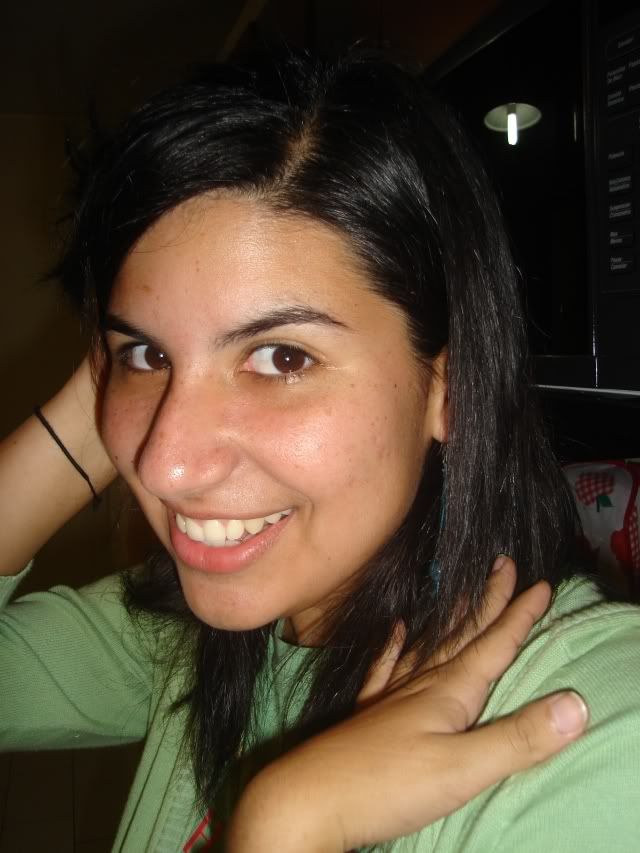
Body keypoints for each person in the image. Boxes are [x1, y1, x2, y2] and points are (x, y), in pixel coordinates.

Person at [1, 48, 639, 852]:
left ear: (451, 386)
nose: (165, 465)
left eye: (282, 358)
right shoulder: (191, 640)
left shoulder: (600, 729)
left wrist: (288, 827)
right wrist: (104, 391)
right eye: (146, 354)